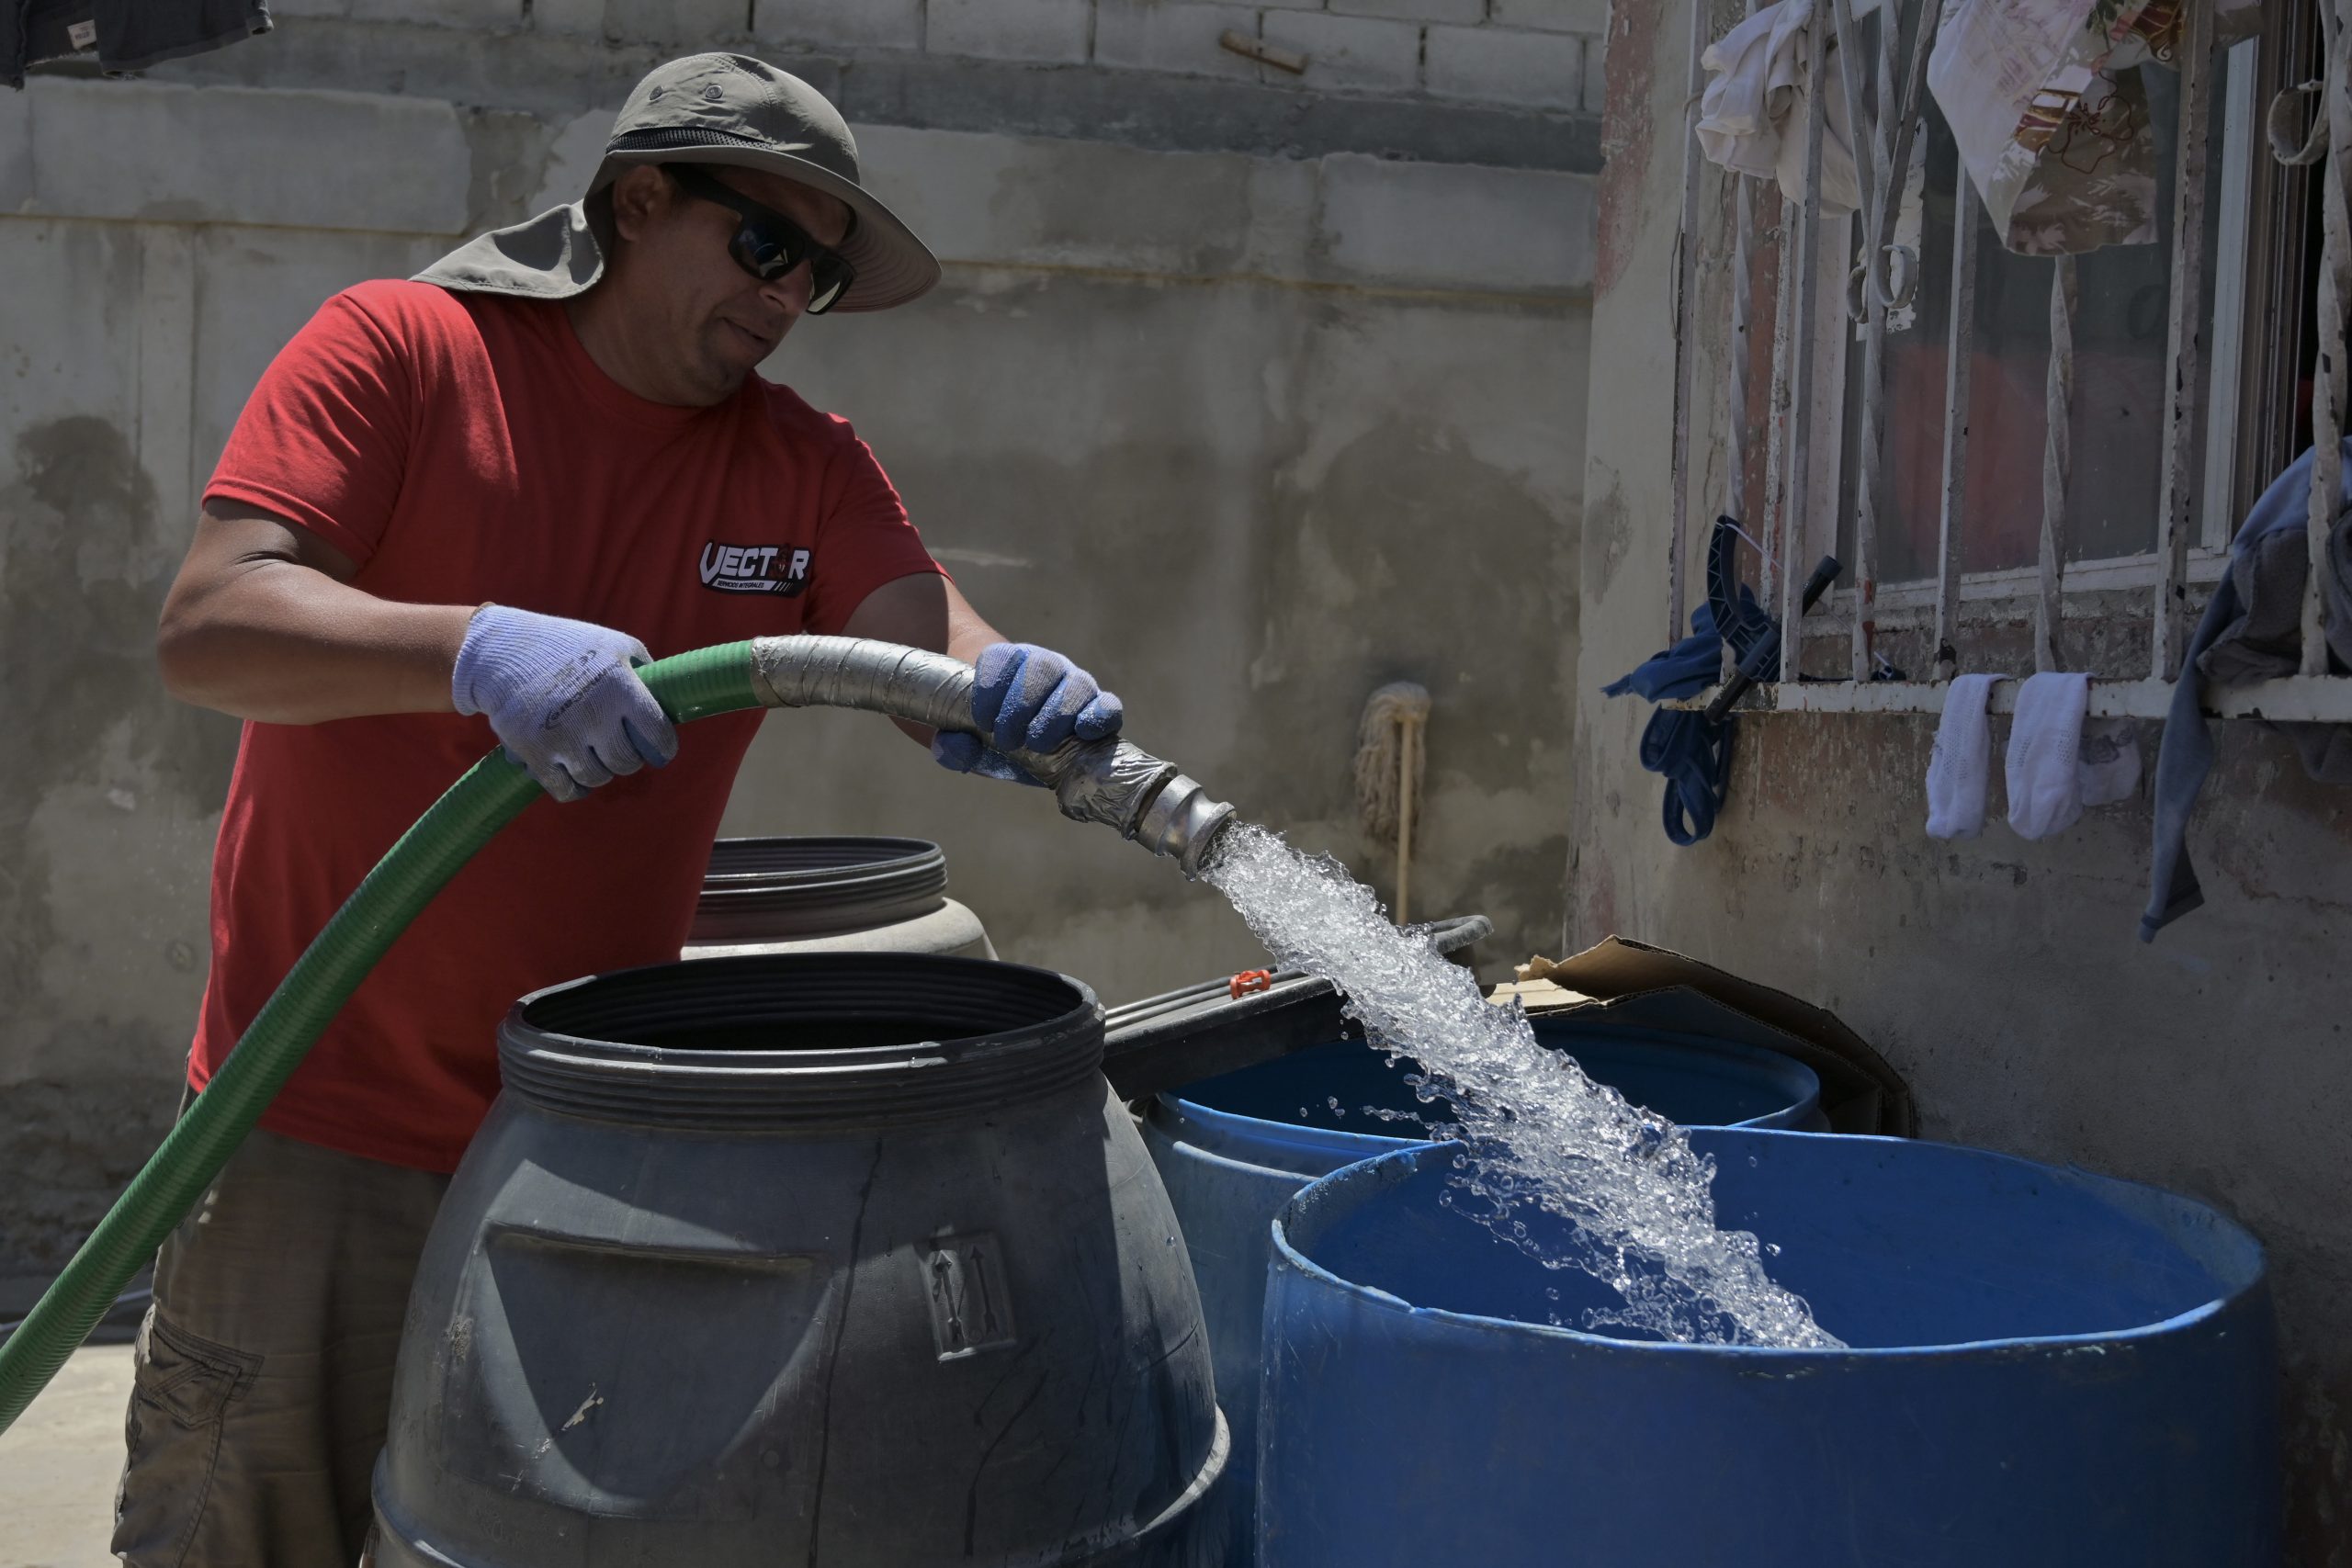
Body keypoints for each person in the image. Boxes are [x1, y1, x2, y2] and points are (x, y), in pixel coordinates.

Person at [114, 52, 1121, 1566]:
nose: (787, 301)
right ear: (638, 202)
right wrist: (471, 647)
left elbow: (917, 637)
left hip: (589, 1146)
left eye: (819, 280)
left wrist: (998, 685)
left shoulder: (800, 466)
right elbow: (212, 628)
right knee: (243, 1534)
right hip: (311, 1124)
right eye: (766, 246)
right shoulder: (402, 351)